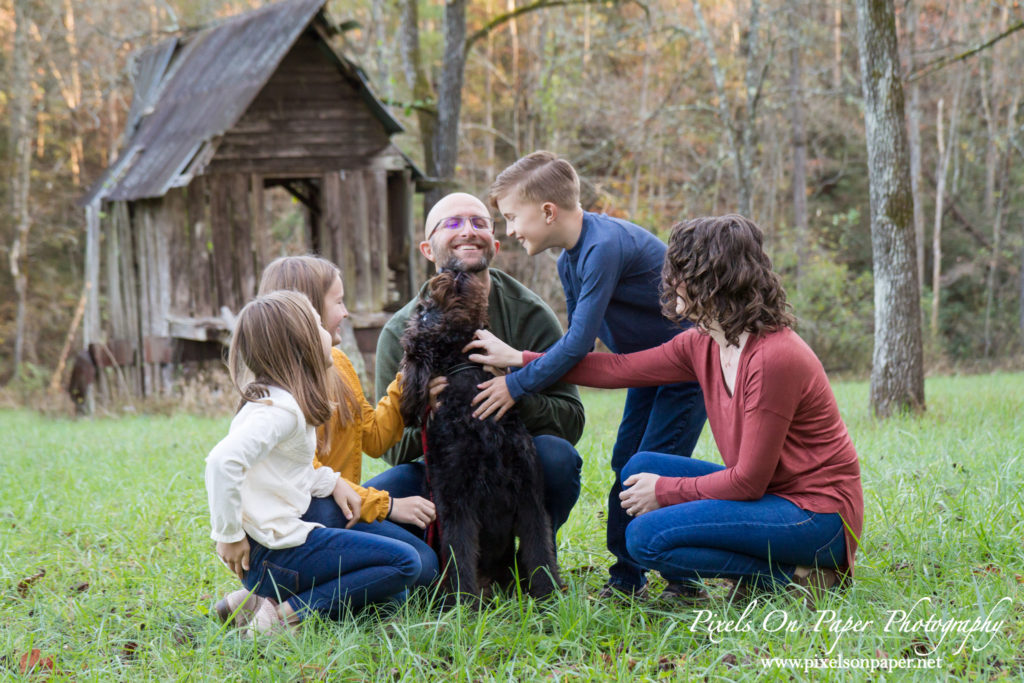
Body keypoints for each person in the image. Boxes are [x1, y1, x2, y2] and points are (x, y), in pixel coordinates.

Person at [466, 215, 864, 596]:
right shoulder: (704, 343)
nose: (669, 280)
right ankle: (765, 565)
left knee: (645, 538)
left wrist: (667, 490)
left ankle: (794, 576)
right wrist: (520, 359)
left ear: (711, 279)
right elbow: (618, 368)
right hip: (772, 500)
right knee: (639, 466)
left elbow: (747, 481)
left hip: (818, 516)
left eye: (679, 271)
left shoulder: (774, 358)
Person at [474, 151, 707, 599]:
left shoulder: (604, 247)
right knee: (626, 462)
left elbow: (578, 345)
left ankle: (684, 578)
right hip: (644, 372)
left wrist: (516, 381)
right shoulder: (568, 260)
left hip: (683, 373)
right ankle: (627, 578)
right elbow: (581, 342)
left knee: (655, 468)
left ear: (547, 211)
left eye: (511, 217)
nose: (510, 231)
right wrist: (522, 366)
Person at [367, 192, 585, 544]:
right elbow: (391, 448)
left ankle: (532, 561)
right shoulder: (402, 330)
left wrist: (516, 391)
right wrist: (431, 413)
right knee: (385, 491)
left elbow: (572, 419)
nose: (468, 231)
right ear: (427, 249)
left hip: (514, 466)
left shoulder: (530, 314)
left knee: (557, 457)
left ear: (495, 244)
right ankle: (447, 563)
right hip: (444, 471)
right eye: (452, 224)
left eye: (479, 223)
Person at [205, 291, 425, 634]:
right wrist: (229, 534)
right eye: (317, 325)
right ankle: (283, 616)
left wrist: (331, 482)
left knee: (389, 592)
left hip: (275, 553)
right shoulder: (281, 411)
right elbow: (222, 461)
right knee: (404, 562)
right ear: (301, 345)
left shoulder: (280, 400)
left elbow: (288, 471)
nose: (327, 332)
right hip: (277, 554)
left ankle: (257, 601)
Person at [255, 255, 438, 586]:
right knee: (423, 566)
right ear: (307, 310)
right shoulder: (279, 390)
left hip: (343, 503)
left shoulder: (337, 362)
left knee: (418, 475)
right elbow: (305, 477)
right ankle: (279, 601)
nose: (346, 312)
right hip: (308, 517)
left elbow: (374, 437)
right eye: (338, 302)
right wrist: (389, 506)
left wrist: (409, 377)